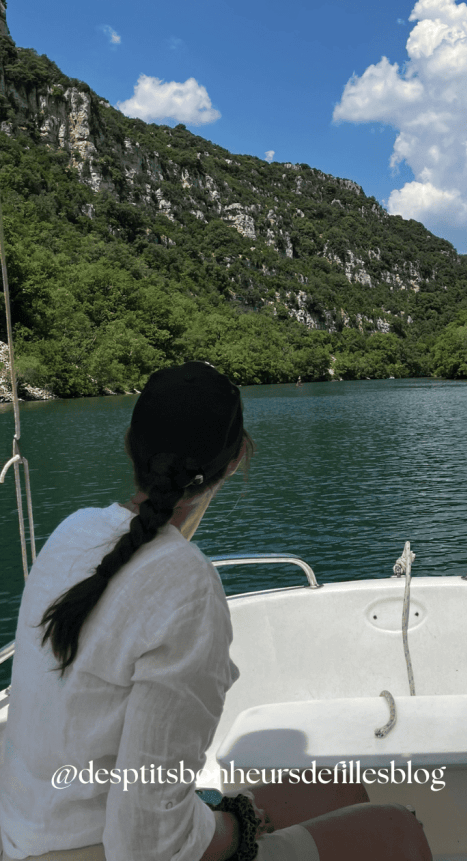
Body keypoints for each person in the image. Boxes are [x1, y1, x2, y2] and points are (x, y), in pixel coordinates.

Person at [0, 362, 431, 861]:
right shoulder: (187, 584)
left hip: (30, 834)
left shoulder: (74, 530)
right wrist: (241, 827)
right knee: (398, 830)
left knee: (339, 787)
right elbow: (147, 843)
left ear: (130, 444)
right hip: (99, 849)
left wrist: (230, 816)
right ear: (235, 461)